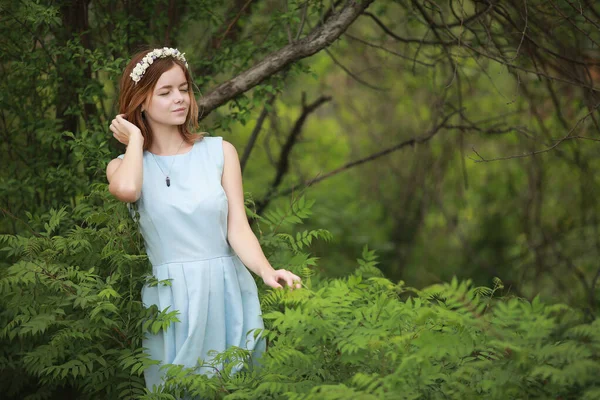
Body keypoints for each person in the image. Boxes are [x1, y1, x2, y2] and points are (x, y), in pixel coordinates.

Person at [105, 47, 302, 392]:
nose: (179, 98)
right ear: (140, 102)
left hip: (228, 287)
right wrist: (136, 139)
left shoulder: (219, 152)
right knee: (178, 389)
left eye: (183, 88)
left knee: (236, 387)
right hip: (171, 298)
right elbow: (126, 190)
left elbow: (237, 227)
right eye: (165, 92)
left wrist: (267, 271)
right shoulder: (125, 165)